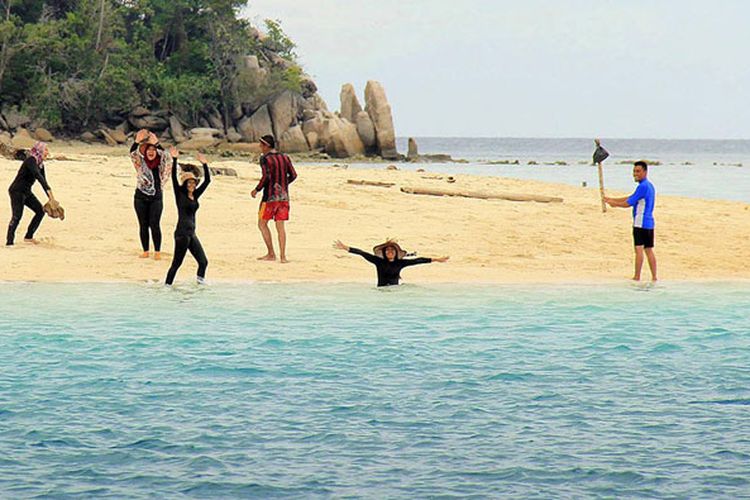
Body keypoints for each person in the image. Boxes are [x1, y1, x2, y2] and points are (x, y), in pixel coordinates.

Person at [604, 160, 657, 281]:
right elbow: (631, 197)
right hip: (649, 223)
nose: (635, 174)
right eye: (634, 171)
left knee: (639, 250)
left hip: (640, 223)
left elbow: (629, 203)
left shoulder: (643, 186)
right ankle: (654, 277)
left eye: (638, 171)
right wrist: (612, 200)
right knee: (649, 250)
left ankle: (637, 276)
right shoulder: (649, 186)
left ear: (645, 172)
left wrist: (615, 204)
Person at [165, 147, 211, 285]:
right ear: (184, 184)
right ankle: (167, 287)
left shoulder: (195, 195)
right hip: (182, 234)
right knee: (177, 263)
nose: (191, 184)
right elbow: (173, 177)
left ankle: (200, 286)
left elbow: (208, 181)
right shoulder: (180, 195)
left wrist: (204, 164)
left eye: (193, 182)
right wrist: (174, 159)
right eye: (189, 182)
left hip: (192, 234)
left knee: (203, 262)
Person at [251, 134, 297, 263]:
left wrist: (257, 189)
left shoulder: (265, 159)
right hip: (283, 198)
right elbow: (293, 175)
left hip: (269, 198)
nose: (260, 147)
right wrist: (283, 185)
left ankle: (271, 254)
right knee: (280, 227)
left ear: (266, 145)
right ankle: (283, 257)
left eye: (261, 145)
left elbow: (266, 177)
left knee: (262, 224)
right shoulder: (285, 157)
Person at [333, 239, 449, 286]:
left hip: (395, 291)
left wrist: (437, 259)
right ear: (383, 253)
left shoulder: (400, 263)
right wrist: (346, 248)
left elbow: (418, 260)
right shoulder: (378, 261)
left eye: (392, 250)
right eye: (387, 250)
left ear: (396, 252)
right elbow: (362, 253)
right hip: (381, 291)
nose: (390, 252)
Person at [130, 129, 171, 260]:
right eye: (148, 150)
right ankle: (146, 251)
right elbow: (132, 153)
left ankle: (157, 251)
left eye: (153, 150)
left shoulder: (161, 164)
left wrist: (157, 143)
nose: (151, 152)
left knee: (155, 224)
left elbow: (167, 156)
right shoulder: (140, 163)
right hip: (140, 197)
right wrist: (137, 141)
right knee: (143, 224)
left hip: (156, 198)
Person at [6, 141, 56, 246]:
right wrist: (51, 196)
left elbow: (43, 180)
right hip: (16, 191)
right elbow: (37, 175)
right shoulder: (31, 161)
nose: (47, 153)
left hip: (26, 192)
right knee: (17, 217)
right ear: (40, 151)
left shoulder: (40, 164)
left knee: (40, 211)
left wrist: (51, 199)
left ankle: (29, 237)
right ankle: (9, 242)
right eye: (46, 150)